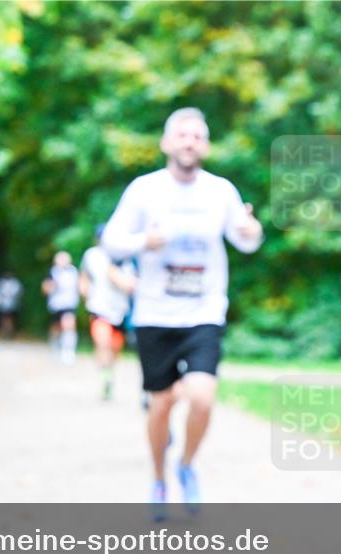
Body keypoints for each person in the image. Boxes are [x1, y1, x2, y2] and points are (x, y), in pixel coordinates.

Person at [101, 107, 264, 520]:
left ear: (205, 145)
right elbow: (113, 242)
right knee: (161, 405)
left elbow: (245, 240)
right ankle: (158, 479)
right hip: (156, 313)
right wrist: (144, 241)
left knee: (202, 398)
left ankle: (186, 464)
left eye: (197, 136)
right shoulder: (144, 190)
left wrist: (251, 231)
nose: (189, 142)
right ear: (167, 143)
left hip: (204, 310)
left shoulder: (219, 191)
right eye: (182, 135)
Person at [80, 225, 138, 400]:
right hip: (99, 308)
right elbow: (84, 276)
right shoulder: (92, 255)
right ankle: (105, 376)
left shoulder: (125, 256)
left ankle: (109, 372)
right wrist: (85, 292)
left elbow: (131, 282)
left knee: (114, 347)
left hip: (120, 310)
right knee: (102, 342)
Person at [41, 251, 80, 364]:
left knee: (69, 325)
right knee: (56, 327)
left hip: (69, 304)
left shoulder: (73, 271)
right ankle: (55, 346)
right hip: (56, 304)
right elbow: (45, 289)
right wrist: (52, 285)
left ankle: (68, 351)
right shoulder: (52, 272)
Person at [0, 272, 23, 339]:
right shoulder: (4, 282)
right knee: (6, 318)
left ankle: (8, 333)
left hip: (10, 304)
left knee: (8, 319)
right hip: (5, 303)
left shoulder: (12, 282)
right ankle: (5, 333)